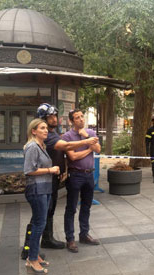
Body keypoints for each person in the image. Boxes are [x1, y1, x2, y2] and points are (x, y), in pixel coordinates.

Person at [21, 104, 99, 259]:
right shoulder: (45, 137)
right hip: (41, 183)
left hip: (51, 181)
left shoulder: (51, 133)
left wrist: (62, 170)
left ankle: (47, 239)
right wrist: (87, 141)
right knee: (39, 216)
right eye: (50, 117)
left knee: (48, 212)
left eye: (55, 116)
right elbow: (67, 147)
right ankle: (28, 248)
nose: (54, 119)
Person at [62, 109, 101, 253]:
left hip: (89, 175)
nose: (81, 120)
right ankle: (70, 239)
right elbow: (73, 157)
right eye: (77, 118)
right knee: (71, 208)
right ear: (71, 121)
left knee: (86, 206)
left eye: (82, 117)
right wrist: (89, 149)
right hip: (75, 175)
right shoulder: (67, 137)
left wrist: (86, 137)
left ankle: (84, 234)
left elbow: (98, 149)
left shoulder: (90, 133)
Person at [23, 118, 59, 274]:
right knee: (39, 224)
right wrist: (51, 170)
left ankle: (34, 255)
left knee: (40, 223)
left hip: (44, 189)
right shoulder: (32, 147)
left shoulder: (41, 146)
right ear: (34, 131)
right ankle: (31, 259)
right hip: (36, 190)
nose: (46, 130)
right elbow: (29, 170)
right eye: (42, 128)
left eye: (46, 128)